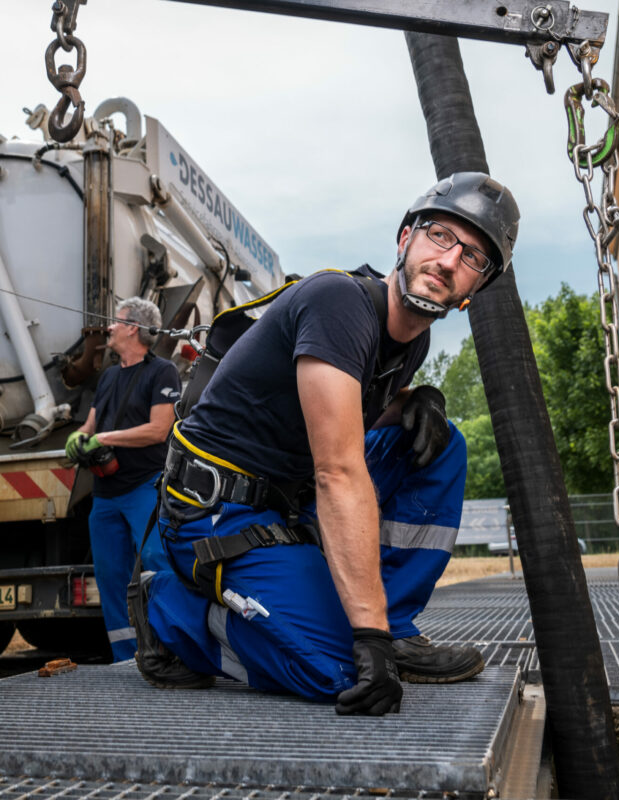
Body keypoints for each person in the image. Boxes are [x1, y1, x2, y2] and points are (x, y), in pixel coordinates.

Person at [127, 172, 520, 714]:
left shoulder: (413, 340)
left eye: (474, 258)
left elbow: (342, 411)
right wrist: (367, 641)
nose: (450, 261)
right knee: (335, 669)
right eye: (440, 236)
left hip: (290, 497)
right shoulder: (338, 303)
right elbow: (339, 470)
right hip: (218, 513)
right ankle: (175, 615)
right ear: (405, 240)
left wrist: (411, 403)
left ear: (474, 292)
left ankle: (393, 623)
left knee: (439, 442)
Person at [66, 298, 181, 662]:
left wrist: (103, 439)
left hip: (144, 487)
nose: (110, 328)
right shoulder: (109, 376)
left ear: (133, 328)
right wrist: (81, 438)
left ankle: (173, 648)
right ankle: (124, 657)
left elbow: (159, 430)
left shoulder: (163, 372)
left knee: (157, 561)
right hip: (105, 496)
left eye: (115, 323)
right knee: (110, 576)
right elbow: (93, 422)